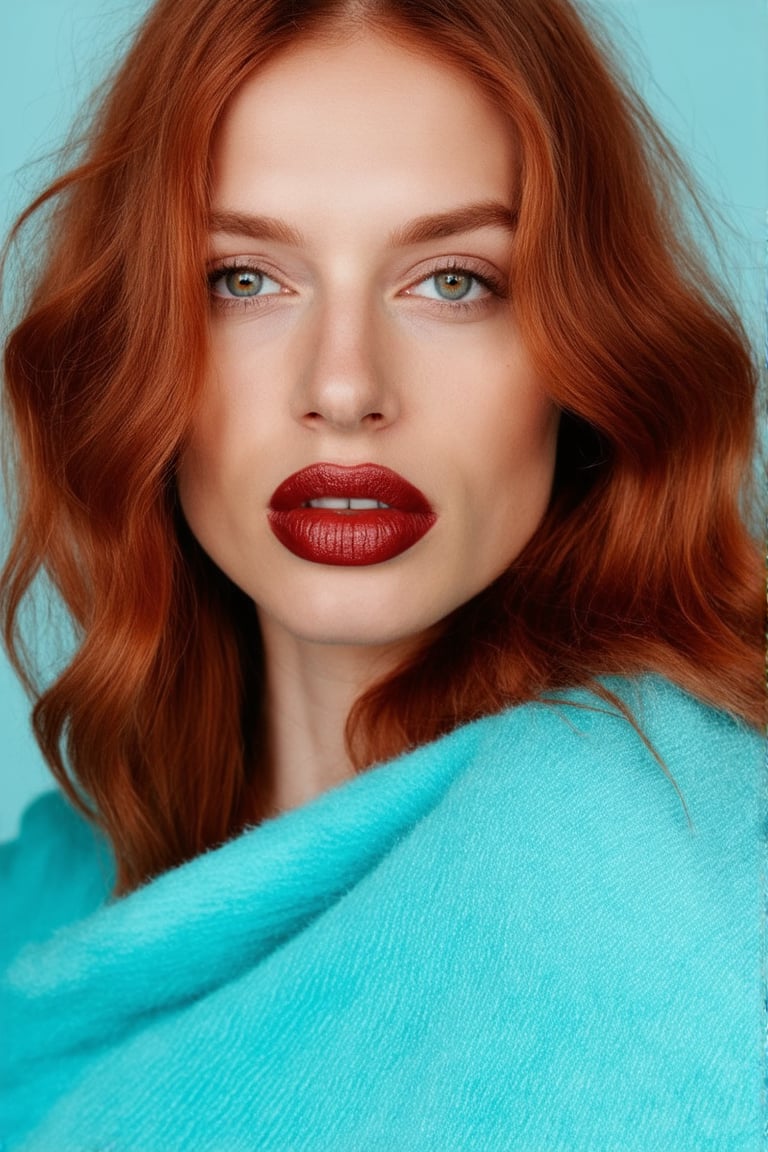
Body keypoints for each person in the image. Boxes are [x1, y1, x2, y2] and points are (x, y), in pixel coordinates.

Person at [0, 0, 763, 1148]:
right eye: (243, 280)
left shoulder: (633, 890)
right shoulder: (50, 898)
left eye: (453, 280)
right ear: (134, 351)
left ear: (584, 356)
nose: (347, 386)